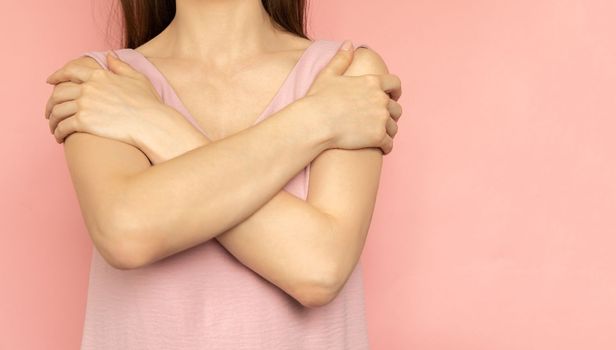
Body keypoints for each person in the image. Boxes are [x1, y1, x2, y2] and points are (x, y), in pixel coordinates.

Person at [43, 0, 402, 348]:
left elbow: (320, 269)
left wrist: (154, 125)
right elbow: (125, 233)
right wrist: (319, 119)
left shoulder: (347, 73)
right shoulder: (101, 83)